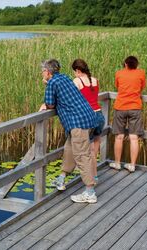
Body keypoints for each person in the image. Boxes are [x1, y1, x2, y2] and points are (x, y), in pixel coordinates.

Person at [39, 59, 98, 203]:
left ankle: (90, 193)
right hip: (88, 117)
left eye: (42, 71)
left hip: (78, 123)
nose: (42, 73)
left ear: (47, 72)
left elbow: (50, 104)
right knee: (69, 149)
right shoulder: (64, 77)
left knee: (82, 156)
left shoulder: (52, 83)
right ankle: (61, 179)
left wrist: (45, 103)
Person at [110, 56, 146, 172]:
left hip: (120, 107)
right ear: (136, 64)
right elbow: (142, 87)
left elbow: (117, 86)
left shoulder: (119, 73)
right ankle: (132, 165)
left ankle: (117, 163)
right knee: (134, 138)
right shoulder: (141, 73)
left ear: (125, 64)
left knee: (119, 137)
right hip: (135, 107)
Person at [71, 59, 105, 181]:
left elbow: (72, 98)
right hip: (99, 116)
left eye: (75, 72)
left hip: (88, 117)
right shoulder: (95, 80)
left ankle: (91, 179)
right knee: (93, 152)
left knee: (87, 152)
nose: (74, 74)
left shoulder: (77, 81)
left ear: (78, 70)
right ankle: (94, 176)